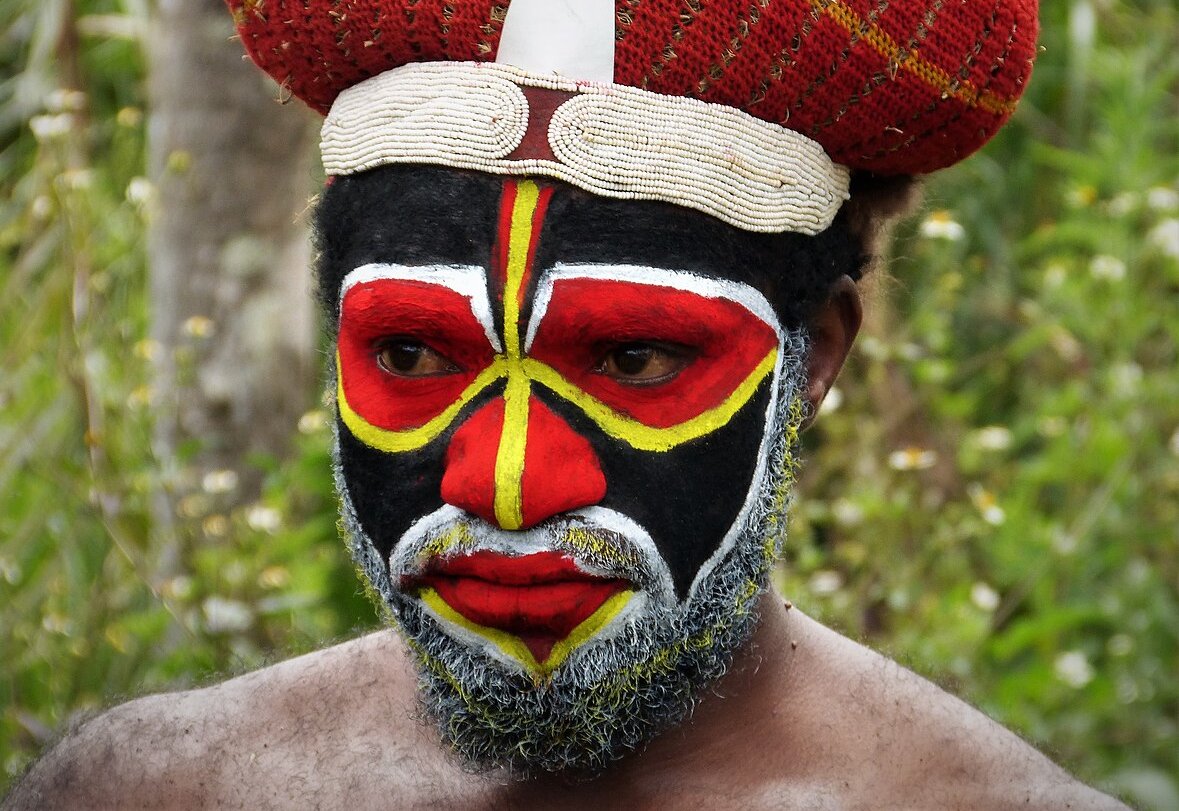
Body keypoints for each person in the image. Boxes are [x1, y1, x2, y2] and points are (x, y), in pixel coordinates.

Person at [4, 1, 1131, 808]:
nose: (503, 483)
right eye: (409, 350)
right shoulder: (161, 789)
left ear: (816, 356)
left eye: (638, 359)